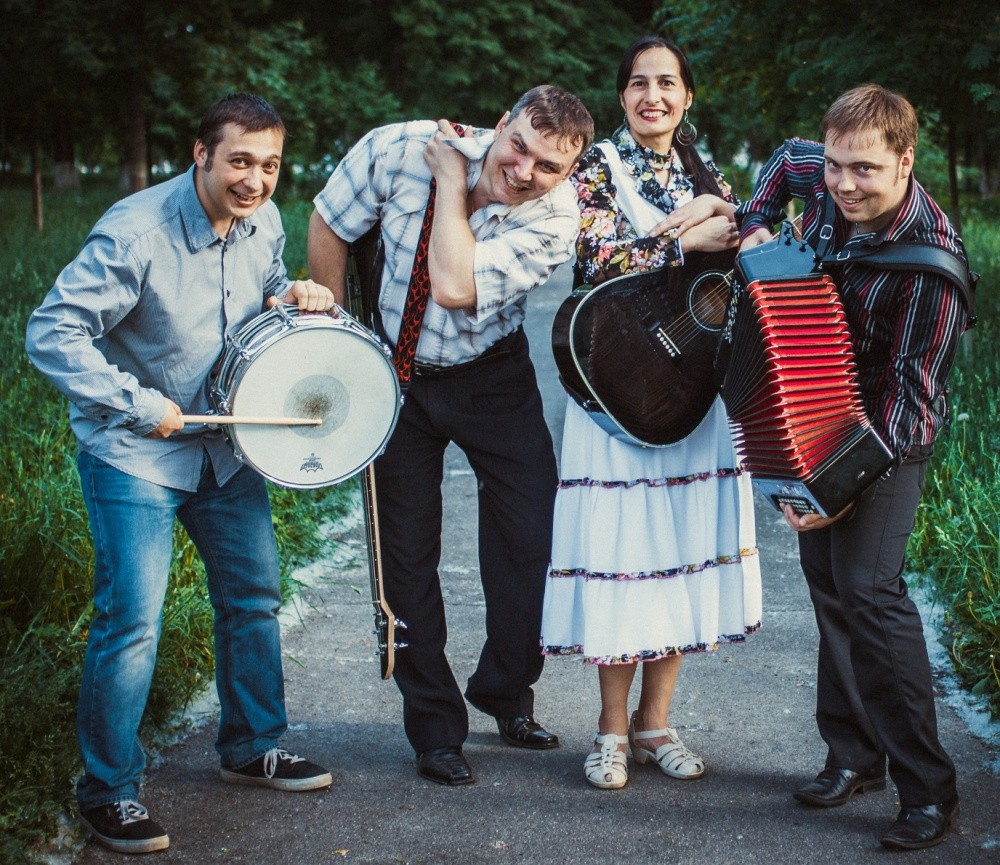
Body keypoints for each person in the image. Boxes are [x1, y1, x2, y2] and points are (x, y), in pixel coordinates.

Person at [25, 93, 335, 855]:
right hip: (136, 450)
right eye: (238, 161)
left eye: (268, 165)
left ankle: (252, 745)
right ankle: (108, 790)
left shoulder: (263, 220)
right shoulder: (136, 232)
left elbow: (255, 303)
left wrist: (291, 297)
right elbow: (51, 331)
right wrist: (138, 403)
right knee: (132, 620)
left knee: (254, 595)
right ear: (200, 154)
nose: (254, 179)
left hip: (226, 444)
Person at [307, 86, 594, 786]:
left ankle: (504, 687)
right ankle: (434, 728)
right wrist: (340, 338)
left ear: (566, 177)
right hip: (391, 371)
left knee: (533, 536)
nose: (524, 169)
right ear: (501, 125)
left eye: (548, 166)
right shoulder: (396, 146)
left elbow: (456, 284)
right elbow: (328, 222)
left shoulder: (557, 217)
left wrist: (447, 181)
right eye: (519, 144)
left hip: (489, 372)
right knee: (404, 556)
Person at [736, 84, 968, 850]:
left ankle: (928, 788)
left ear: (905, 161)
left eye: (864, 170)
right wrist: (758, 225)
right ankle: (853, 754)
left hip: (891, 434)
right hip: (818, 410)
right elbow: (783, 164)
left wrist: (838, 491)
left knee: (871, 593)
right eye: (836, 166)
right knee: (829, 584)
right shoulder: (824, 172)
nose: (842, 184)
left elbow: (909, 405)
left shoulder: (930, 267)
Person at [540, 36, 761, 791]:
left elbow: (734, 258)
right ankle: (607, 730)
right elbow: (593, 258)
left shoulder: (705, 170)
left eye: (667, 84)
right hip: (616, 386)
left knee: (676, 550)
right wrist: (684, 237)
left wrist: (725, 229)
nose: (653, 97)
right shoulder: (596, 165)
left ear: (688, 96)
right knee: (621, 552)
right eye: (638, 84)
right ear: (622, 96)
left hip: (690, 384)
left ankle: (656, 722)